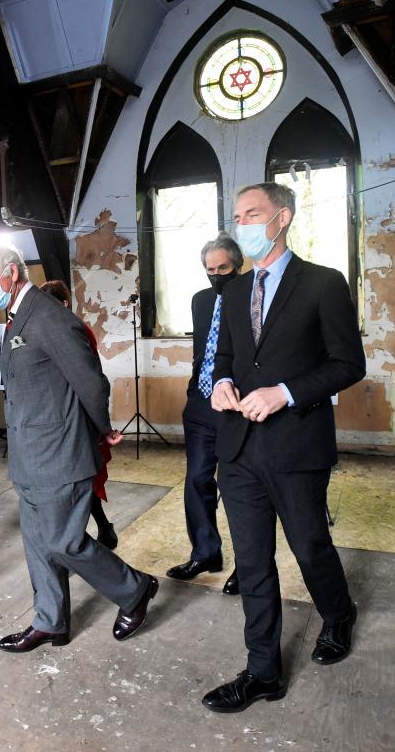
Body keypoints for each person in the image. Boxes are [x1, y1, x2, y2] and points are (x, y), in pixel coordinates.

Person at [201, 183, 365, 713]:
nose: (243, 223)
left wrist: (285, 393)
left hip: (296, 446)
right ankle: (262, 671)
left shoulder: (322, 283)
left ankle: (337, 614)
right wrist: (220, 384)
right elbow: (224, 358)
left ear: (282, 218)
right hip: (240, 449)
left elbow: (348, 364)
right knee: (251, 562)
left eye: (254, 214)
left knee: (310, 546)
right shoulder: (231, 292)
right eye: (238, 215)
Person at [0, 244, 157, 654]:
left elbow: (90, 380)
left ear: (12, 273)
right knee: (38, 543)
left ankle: (134, 588)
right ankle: (50, 622)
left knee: (64, 542)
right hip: (29, 452)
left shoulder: (49, 315)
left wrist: (103, 428)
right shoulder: (18, 316)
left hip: (59, 450)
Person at [165, 236, 242, 593]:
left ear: (237, 265)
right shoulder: (201, 300)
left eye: (222, 268)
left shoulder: (251, 297)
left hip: (237, 405)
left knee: (238, 486)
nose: (216, 275)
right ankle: (206, 552)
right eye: (210, 270)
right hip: (199, 403)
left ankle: (249, 564)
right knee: (196, 479)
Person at [40, 279, 117, 550]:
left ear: (63, 304)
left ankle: (83, 538)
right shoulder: (47, 330)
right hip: (56, 412)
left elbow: (90, 377)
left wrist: (101, 424)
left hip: (78, 412)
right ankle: (99, 530)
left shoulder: (76, 330)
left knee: (83, 478)